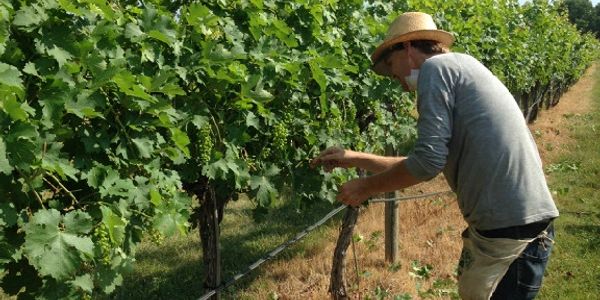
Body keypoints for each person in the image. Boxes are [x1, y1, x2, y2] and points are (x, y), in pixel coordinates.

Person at [310, 12, 559, 300]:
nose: (398, 81)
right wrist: (355, 157)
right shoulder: (461, 66)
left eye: (392, 67)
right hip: (517, 224)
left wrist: (365, 188)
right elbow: (424, 162)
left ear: (407, 49)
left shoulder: (436, 69)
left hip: (512, 229)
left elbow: (426, 164)